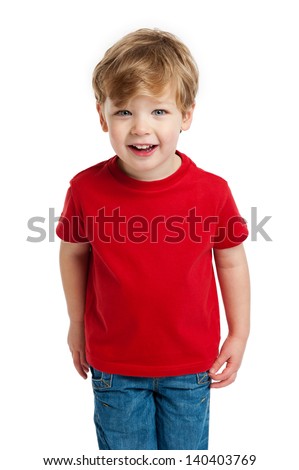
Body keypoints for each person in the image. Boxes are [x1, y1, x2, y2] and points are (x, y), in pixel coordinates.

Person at [56, 28, 250, 451]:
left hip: (192, 367)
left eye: (159, 111)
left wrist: (239, 333)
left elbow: (231, 260)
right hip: (114, 368)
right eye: (124, 111)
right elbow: (73, 255)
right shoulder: (86, 189)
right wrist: (75, 324)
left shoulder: (212, 191)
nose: (140, 127)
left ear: (186, 115)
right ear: (102, 116)